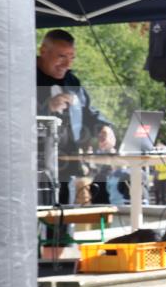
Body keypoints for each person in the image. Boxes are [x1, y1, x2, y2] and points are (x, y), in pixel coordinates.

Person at [35, 29, 117, 204]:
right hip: (33, 169)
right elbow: (8, 116)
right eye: (62, 56)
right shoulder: (22, 76)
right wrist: (46, 107)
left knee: (62, 224)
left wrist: (105, 127)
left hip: (66, 168)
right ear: (43, 51)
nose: (67, 64)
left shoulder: (73, 82)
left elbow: (88, 113)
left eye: (71, 57)